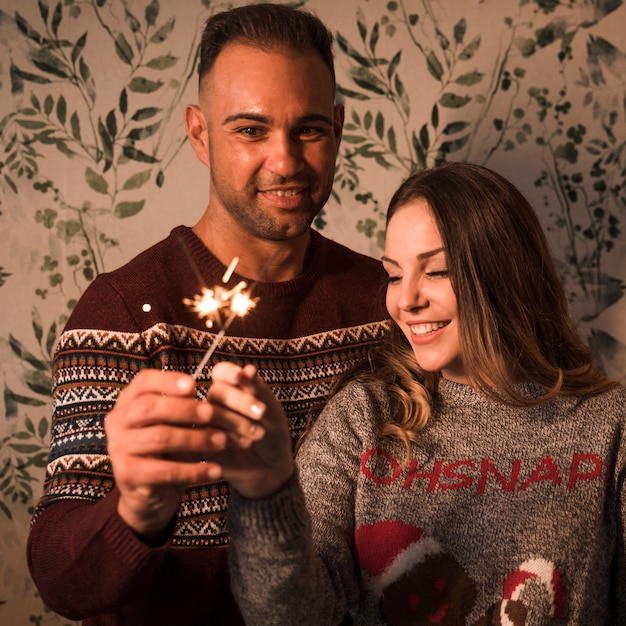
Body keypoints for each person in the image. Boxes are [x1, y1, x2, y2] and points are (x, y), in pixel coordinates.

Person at [27, 4, 389, 625]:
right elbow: (62, 582)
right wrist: (137, 509)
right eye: (250, 130)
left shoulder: (390, 302)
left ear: (338, 126)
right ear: (199, 134)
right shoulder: (124, 313)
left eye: (307, 130)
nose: (285, 161)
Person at [206, 162, 626, 625]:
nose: (405, 301)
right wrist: (266, 495)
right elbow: (289, 616)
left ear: (506, 272)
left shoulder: (611, 426)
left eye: (437, 271)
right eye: (393, 274)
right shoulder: (364, 417)